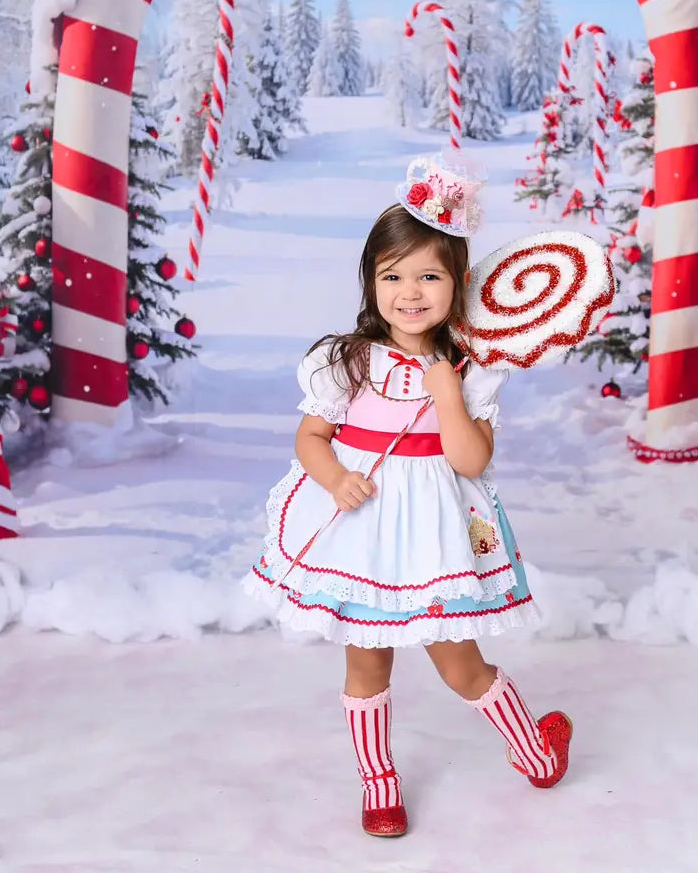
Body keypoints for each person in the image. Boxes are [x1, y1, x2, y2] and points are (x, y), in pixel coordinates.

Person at [244, 152, 571, 838]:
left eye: (430, 275)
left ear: (459, 284)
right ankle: (380, 784)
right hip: (361, 533)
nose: (410, 292)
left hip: (433, 539)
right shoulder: (348, 360)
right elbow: (310, 438)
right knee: (366, 660)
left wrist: (447, 394)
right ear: (371, 280)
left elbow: (472, 458)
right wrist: (334, 477)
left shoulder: (468, 368)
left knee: (460, 661)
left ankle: (534, 749)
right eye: (393, 275)